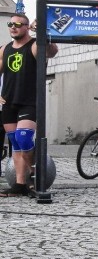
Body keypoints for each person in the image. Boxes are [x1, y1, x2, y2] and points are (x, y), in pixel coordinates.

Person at [0, 14, 59, 197]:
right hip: (9, 102)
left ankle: (34, 171)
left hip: (29, 102)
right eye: (11, 24)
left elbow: (51, 51)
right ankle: (20, 184)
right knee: (16, 144)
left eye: (18, 24)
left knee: (24, 139)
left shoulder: (34, 45)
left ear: (26, 26)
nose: (13, 27)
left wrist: (41, 32)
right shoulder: (4, 49)